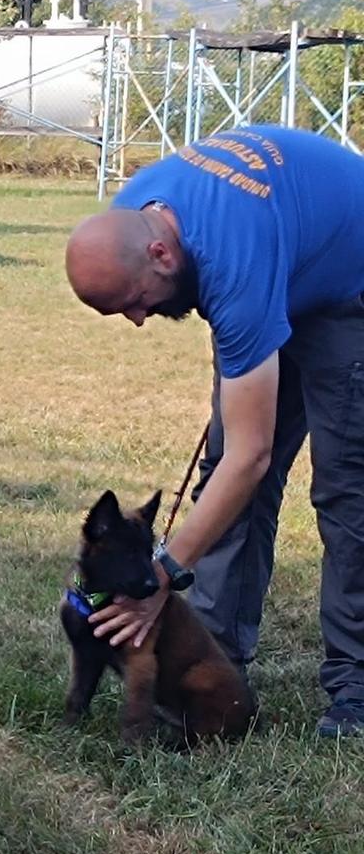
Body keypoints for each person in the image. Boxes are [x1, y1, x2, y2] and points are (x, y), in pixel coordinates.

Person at [64, 124, 364, 737]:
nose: (140, 319)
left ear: (160, 256)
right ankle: (215, 659)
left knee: (346, 495)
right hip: (281, 259)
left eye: (136, 301)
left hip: (350, 286)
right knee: (225, 479)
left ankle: (355, 690)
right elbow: (237, 468)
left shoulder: (232, 261)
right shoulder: (139, 216)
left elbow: (251, 457)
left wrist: (165, 574)